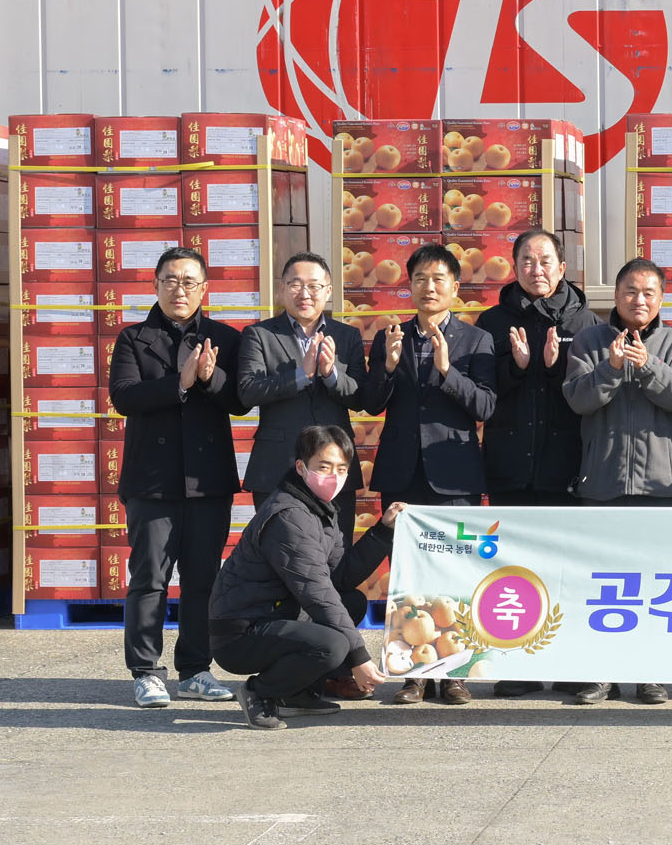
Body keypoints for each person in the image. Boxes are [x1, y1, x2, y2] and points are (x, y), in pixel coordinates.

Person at [360, 243, 497, 705]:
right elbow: (371, 403)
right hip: (403, 471)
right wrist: (388, 366)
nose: (429, 287)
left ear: (455, 287)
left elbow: (485, 405)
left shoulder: (476, 340)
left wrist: (446, 371)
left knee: (456, 570)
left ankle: (455, 672)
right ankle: (413, 672)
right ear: (410, 286)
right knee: (410, 571)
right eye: (420, 278)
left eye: (439, 279)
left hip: (455, 474)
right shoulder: (391, 336)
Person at [108, 246, 244, 709]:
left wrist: (209, 378)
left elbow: (240, 401)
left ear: (205, 288)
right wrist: (179, 383)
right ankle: (146, 671)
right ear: (155, 285)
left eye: (189, 281)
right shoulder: (133, 338)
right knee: (149, 577)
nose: (179, 290)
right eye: (170, 280)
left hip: (208, 481)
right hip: (152, 479)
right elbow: (124, 397)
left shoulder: (225, 337)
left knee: (203, 578)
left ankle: (196, 669)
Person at [560, 257, 672, 706]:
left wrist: (648, 365)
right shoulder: (589, 341)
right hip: (600, 481)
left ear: (661, 298)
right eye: (630, 291)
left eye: (648, 292)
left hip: (657, 486)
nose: (639, 300)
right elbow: (578, 399)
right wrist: (612, 367)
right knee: (601, 583)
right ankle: (599, 673)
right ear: (616, 296)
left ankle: (649, 673)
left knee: (654, 581)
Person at [474, 229, 604, 701]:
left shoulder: (587, 323)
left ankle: (569, 665)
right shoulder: (491, 323)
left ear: (563, 267)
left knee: (566, 568)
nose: (537, 269)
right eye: (527, 261)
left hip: (566, 464)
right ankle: (520, 664)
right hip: (510, 463)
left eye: (546, 260)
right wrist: (516, 366)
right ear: (514, 267)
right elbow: (483, 394)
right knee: (515, 569)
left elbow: (590, 395)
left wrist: (552, 368)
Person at [236, 251, 372, 698]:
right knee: (283, 573)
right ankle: (288, 676)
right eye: (295, 284)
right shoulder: (260, 334)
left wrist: (330, 374)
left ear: (329, 291)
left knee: (332, 572)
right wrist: (301, 373)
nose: (305, 293)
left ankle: (332, 669)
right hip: (278, 472)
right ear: (282, 289)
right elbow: (248, 390)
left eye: (315, 285)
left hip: (332, 477)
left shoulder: (346, 336)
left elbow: (361, 396)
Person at [210, 426, 401, 729]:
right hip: (241, 630)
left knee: (352, 602)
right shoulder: (289, 516)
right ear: (301, 467)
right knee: (332, 646)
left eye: (341, 468)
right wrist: (359, 657)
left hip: (276, 612)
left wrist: (382, 531)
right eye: (324, 467)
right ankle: (259, 693)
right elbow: (317, 592)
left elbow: (340, 577)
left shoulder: (319, 509)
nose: (333, 476)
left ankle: (294, 693)